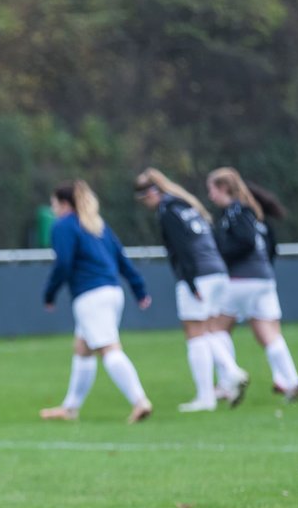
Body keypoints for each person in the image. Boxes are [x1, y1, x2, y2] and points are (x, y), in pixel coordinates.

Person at [134, 168, 250, 412]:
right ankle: (229, 376)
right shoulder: (187, 205)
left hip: (199, 275)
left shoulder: (168, 211)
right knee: (209, 328)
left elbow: (182, 249)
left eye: (144, 197)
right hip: (218, 272)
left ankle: (211, 391)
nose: (145, 203)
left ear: (153, 193)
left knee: (195, 333)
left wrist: (190, 281)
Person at [40, 180, 154, 424]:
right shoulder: (96, 224)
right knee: (83, 349)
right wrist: (139, 288)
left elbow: (63, 263)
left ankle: (139, 401)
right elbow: (122, 258)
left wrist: (49, 294)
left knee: (109, 349)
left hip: (91, 296)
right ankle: (70, 408)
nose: (53, 209)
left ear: (64, 203)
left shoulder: (64, 226)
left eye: (54, 203)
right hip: (112, 292)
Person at [206, 168, 298, 403]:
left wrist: (221, 254)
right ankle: (292, 382)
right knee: (269, 334)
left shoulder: (236, 211)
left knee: (212, 330)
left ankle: (229, 380)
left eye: (211, 190)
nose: (210, 196)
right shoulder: (250, 211)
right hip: (264, 278)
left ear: (223, 189)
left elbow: (245, 242)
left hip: (242, 279)